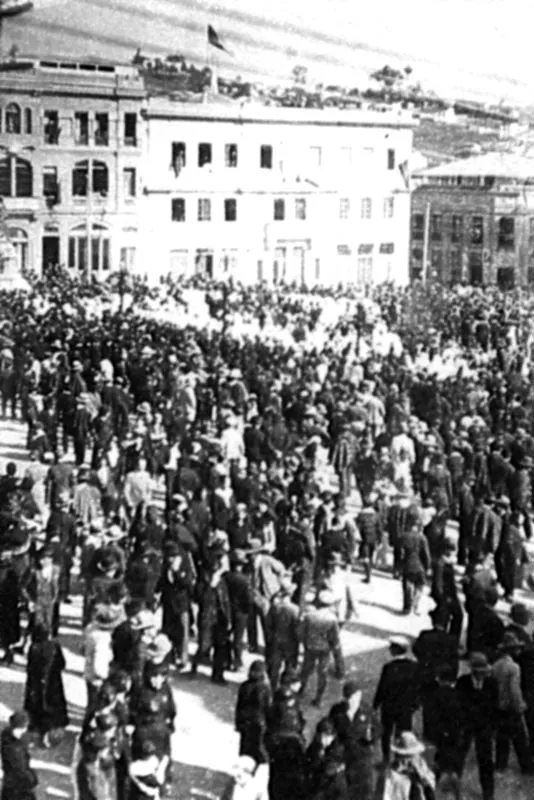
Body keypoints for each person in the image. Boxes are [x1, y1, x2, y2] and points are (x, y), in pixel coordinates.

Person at [456, 652, 498, 800]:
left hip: (484, 727)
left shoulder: (492, 683)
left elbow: (494, 707)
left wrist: (493, 727)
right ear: (472, 670)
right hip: (465, 726)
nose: (482, 674)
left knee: (486, 760)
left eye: (484, 671)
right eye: (479, 671)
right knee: (459, 758)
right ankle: (454, 790)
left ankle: (488, 793)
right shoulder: (463, 682)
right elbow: (458, 705)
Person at [491, 631, 533, 774]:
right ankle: (527, 767)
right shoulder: (514, 668)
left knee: (502, 738)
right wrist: (520, 705)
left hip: (498, 706)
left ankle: (500, 765)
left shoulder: (495, 666)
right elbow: (514, 690)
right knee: (520, 739)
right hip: (511, 707)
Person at [373, 636, 419, 762]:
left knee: (386, 734)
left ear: (395, 650)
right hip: (406, 708)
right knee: (403, 734)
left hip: (389, 707)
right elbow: (417, 688)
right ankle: (401, 760)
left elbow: (382, 689)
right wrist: (415, 705)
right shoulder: (414, 666)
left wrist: (375, 705)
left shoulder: (388, 667)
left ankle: (386, 758)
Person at [24, 622, 69, 748]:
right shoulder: (55, 646)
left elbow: (30, 668)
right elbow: (62, 664)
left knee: (37, 708)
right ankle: (50, 734)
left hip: (36, 684)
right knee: (53, 707)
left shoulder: (34, 648)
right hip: (53, 683)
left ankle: (38, 731)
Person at [329, 680, 376, 800]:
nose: (350, 701)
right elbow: (329, 728)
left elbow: (378, 729)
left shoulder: (367, 711)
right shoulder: (337, 711)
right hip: (344, 756)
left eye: (353, 697)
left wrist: (372, 736)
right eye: (348, 698)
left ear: (359, 695)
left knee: (364, 793)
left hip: (362, 758)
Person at [299, 589, 344, 707]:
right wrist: (335, 649)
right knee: (322, 673)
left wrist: (305, 643)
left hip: (310, 647)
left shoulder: (309, 615)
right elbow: (334, 638)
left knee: (306, 669)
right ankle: (318, 698)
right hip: (324, 649)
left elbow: (301, 632)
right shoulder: (332, 619)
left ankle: (301, 689)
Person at [382, 731, 435, 800]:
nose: (409, 761)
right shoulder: (391, 776)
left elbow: (431, 792)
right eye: (406, 757)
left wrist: (421, 779)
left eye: (412, 756)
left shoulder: (421, 766)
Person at [0, 710, 38, 800]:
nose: (24, 730)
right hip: (19, 788)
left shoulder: (10, 739)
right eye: (23, 728)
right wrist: (32, 779)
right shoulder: (14, 748)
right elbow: (20, 768)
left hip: (11, 785)